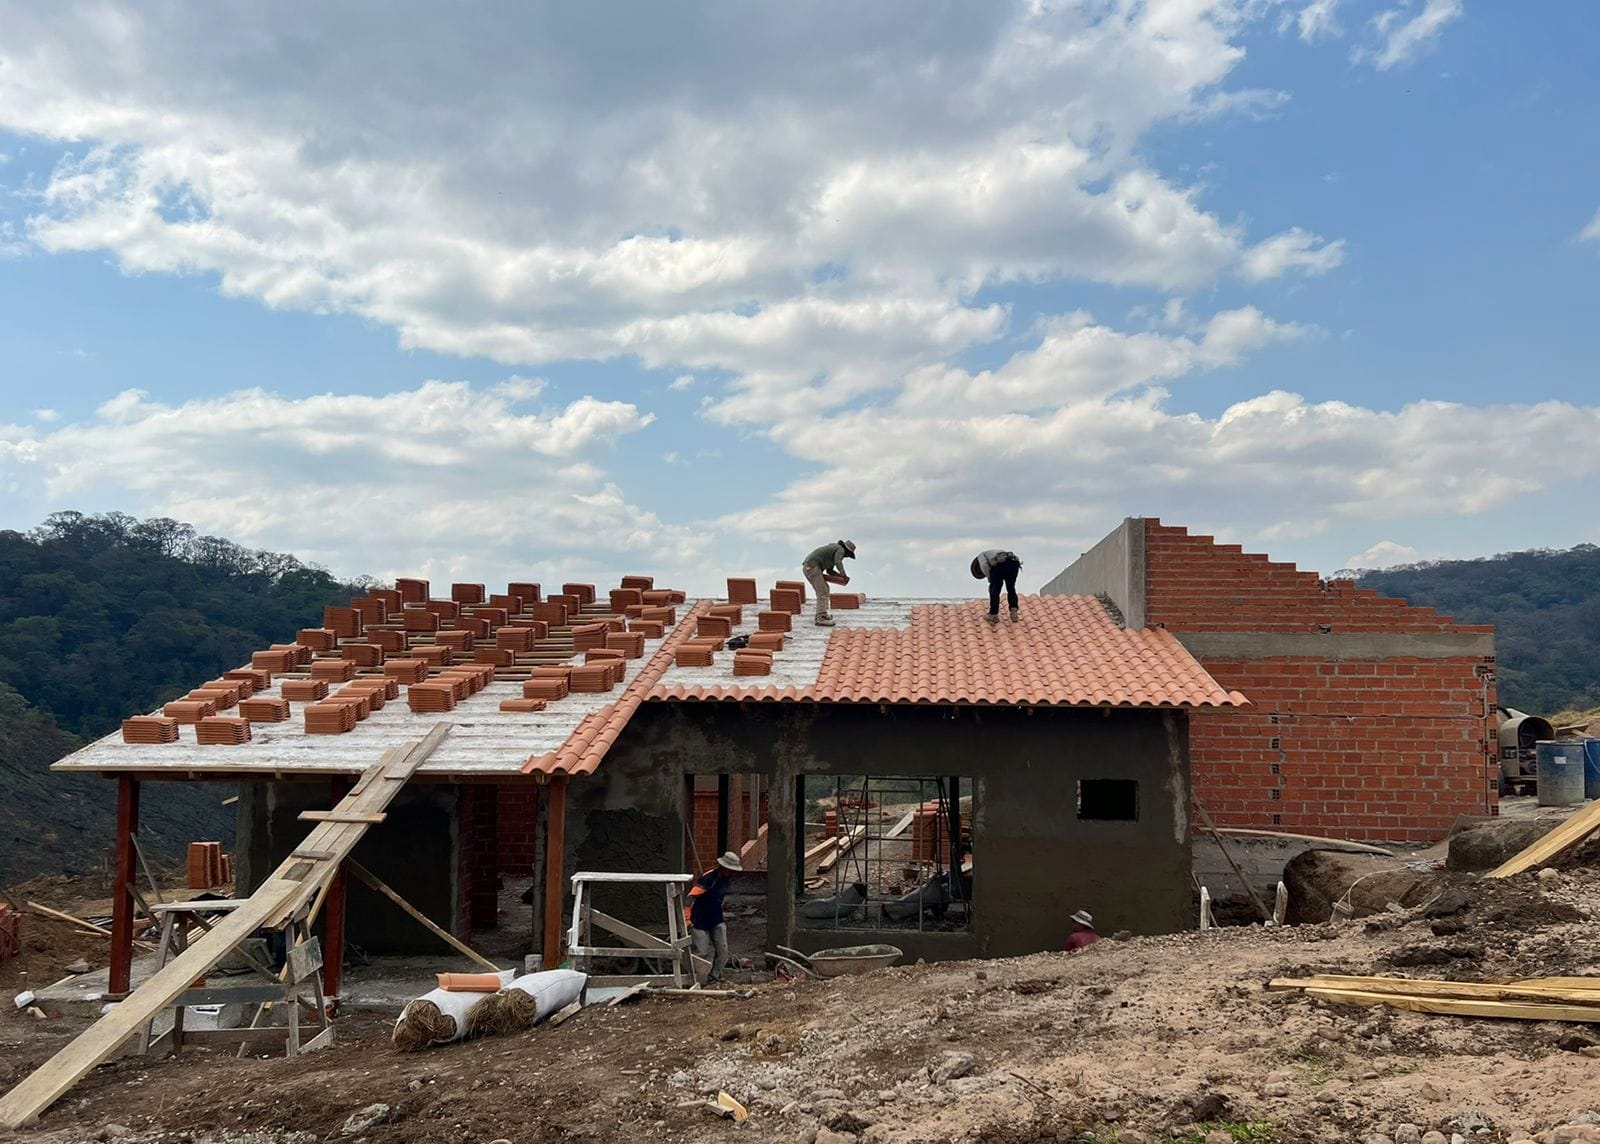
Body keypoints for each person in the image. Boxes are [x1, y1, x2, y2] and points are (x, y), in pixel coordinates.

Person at [687, 851, 741, 983]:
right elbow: (690, 897)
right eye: (731, 871)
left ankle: (714, 977)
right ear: (724, 868)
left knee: (723, 951)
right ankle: (695, 979)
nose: (733, 874)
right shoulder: (708, 878)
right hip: (699, 920)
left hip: (716, 919)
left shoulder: (726, 880)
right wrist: (687, 917)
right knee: (701, 953)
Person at [802, 539, 857, 627]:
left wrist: (839, 576)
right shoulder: (840, 549)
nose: (846, 557)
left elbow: (829, 571)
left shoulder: (833, 551)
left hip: (810, 567)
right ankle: (820, 618)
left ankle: (823, 613)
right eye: (848, 555)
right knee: (822, 592)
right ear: (846, 550)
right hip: (812, 567)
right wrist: (844, 575)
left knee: (825, 589)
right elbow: (838, 562)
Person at [970, 549, 1022, 626]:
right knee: (1011, 588)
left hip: (1000, 565)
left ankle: (993, 615)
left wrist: (989, 577)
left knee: (994, 590)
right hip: (1014, 564)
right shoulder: (994, 552)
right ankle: (1014, 611)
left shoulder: (981, 555)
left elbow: (984, 566)